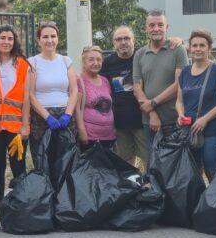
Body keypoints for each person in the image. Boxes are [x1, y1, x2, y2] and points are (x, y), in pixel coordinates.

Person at [175, 30, 216, 179]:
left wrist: (205, 119)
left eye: (202, 45)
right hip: (190, 131)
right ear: (190, 48)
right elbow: (179, 100)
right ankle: (198, 201)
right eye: (194, 45)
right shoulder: (185, 72)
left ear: (209, 48)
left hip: (212, 130)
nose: (198, 49)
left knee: (212, 170)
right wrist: (180, 114)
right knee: (193, 171)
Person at [0, 25, 30, 210]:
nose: (6, 42)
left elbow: (26, 98)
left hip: (16, 127)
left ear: (14, 42)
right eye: (2, 38)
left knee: (18, 168)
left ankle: (20, 206)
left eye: (9, 39)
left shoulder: (22, 65)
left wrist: (25, 125)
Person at [133, 10, 187, 140]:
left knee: (175, 160)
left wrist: (153, 103)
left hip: (174, 120)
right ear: (146, 28)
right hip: (149, 122)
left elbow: (179, 84)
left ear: (166, 27)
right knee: (154, 160)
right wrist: (152, 112)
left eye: (160, 25)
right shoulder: (140, 54)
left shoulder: (178, 49)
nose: (156, 29)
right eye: (152, 25)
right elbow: (137, 88)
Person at [101, 26, 147, 167]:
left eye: (126, 38)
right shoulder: (107, 63)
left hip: (143, 120)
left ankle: (151, 187)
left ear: (134, 40)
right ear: (114, 43)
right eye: (118, 39)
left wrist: (177, 41)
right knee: (125, 162)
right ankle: (131, 187)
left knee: (150, 160)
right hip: (120, 122)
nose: (123, 42)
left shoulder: (144, 57)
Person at [28, 21, 79, 149]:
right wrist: (48, 117)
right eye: (45, 37)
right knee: (43, 159)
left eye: (53, 36)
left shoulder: (66, 61)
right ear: (39, 40)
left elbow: (74, 91)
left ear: (58, 39)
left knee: (66, 159)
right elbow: (30, 94)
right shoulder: (33, 62)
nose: (49, 40)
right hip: (41, 117)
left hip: (65, 114)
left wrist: (67, 115)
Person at [76, 46, 116, 150]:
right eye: (91, 60)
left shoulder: (105, 81)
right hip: (90, 137)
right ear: (84, 63)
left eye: (99, 59)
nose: (96, 63)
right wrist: (81, 130)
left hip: (108, 136)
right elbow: (77, 108)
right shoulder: (79, 80)